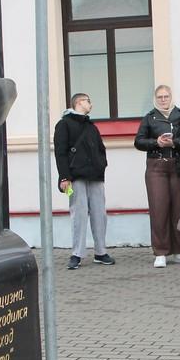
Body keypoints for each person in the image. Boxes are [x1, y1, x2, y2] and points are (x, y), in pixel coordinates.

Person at [133, 85, 180, 268]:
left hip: (178, 166)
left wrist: (175, 142)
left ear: (171, 97)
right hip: (156, 167)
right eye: (159, 97)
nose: (163, 99)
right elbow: (138, 141)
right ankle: (161, 252)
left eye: (166, 96)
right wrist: (156, 142)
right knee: (158, 209)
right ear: (155, 98)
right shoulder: (149, 117)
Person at [53, 92, 114, 270]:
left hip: (95, 176)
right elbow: (60, 153)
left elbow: (100, 150)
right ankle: (77, 254)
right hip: (75, 177)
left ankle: (100, 251)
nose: (91, 104)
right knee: (78, 214)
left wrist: (101, 166)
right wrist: (64, 177)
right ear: (79, 102)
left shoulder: (91, 126)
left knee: (99, 214)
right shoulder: (64, 124)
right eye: (88, 101)